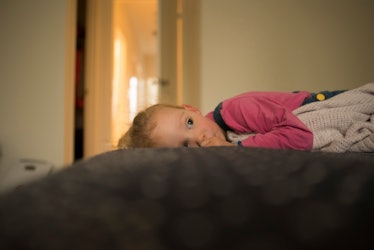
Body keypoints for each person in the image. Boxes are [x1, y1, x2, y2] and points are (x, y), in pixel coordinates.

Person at [118, 88, 346, 150]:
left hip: (319, 105)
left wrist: (234, 148)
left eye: (189, 123)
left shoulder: (235, 110)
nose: (200, 137)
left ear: (193, 109)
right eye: (185, 146)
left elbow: (300, 136)